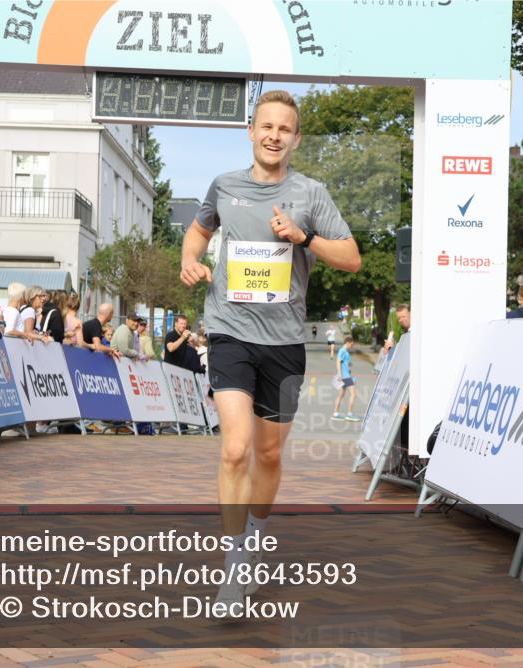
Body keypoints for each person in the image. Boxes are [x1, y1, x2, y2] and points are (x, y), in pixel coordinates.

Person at [179, 89, 361, 608]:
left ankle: (255, 533)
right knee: (235, 448)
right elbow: (197, 231)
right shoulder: (224, 186)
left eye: (284, 128)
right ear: (251, 131)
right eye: (266, 126)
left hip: (284, 341)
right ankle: (233, 564)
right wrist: (189, 261)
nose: (274, 135)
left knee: (268, 452)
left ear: (295, 138)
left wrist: (304, 239)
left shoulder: (311, 193)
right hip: (229, 329)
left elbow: (351, 259)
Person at [332, 336, 361, 422]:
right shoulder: (342, 351)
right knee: (353, 394)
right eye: (352, 344)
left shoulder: (345, 351)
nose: (352, 346)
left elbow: (343, 362)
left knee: (341, 395)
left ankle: (335, 414)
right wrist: (340, 374)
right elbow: (338, 361)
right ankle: (349, 414)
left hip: (345, 375)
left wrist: (348, 365)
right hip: (345, 376)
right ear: (348, 342)